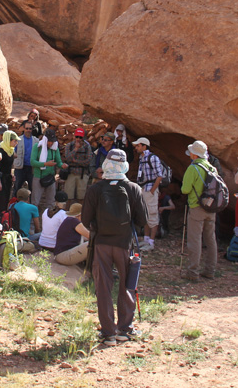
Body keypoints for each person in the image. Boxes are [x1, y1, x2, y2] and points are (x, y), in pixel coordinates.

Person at [82, 148, 147, 346]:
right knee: (128, 285)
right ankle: (124, 330)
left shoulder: (95, 189)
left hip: (101, 243)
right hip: (124, 243)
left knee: (103, 286)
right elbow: (143, 220)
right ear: (125, 166)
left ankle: (108, 332)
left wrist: (98, 228)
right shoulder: (133, 188)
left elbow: (85, 219)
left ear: (106, 164)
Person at [180, 141, 218, 281]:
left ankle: (193, 272)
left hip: (196, 206)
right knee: (210, 239)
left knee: (194, 240)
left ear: (194, 154)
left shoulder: (193, 168)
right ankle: (210, 270)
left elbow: (185, 189)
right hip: (211, 207)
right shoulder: (212, 168)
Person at [133, 137, 163, 252]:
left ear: (144, 146)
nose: (136, 148)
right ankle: (146, 239)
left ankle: (151, 241)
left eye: (138, 145)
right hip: (144, 189)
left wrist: (152, 191)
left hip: (150, 189)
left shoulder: (153, 158)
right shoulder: (142, 158)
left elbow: (159, 176)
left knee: (152, 214)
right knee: (145, 213)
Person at [31, 127, 62, 212]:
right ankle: (34, 222)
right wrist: (45, 164)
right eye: (49, 141)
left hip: (50, 177)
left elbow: (58, 161)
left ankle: (50, 220)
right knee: (35, 202)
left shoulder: (55, 149)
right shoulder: (37, 147)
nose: (50, 143)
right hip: (38, 176)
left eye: (52, 141)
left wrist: (62, 165)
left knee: (51, 202)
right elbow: (32, 162)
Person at [62, 127, 93, 203]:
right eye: (77, 137)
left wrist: (75, 161)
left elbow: (88, 161)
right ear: (74, 136)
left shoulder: (87, 146)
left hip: (82, 173)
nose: (78, 139)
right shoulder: (69, 145)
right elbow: (68, 158)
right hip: (71, 173)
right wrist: (75, 149)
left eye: (80, 137)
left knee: (82, 197)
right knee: (68, 196)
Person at [0, 130, 18, 219]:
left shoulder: (10, 151)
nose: (16, 143)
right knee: (0, 202)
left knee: (5, 202)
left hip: (7, 179)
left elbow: (9, 166)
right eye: (14, 141)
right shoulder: (0, 152)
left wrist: (12, 175)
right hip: (0, 179)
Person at [13, 121, 37, 196]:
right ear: (23, 129)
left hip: (31, 168)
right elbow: (13, 151)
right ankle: (13, 204)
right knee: (17, 187)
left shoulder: (36, 140)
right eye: (27, 128)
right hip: (20, 167)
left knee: (32, 188)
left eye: (30, 128)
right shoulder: (18, 140)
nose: (28, 130)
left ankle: (31, 205)